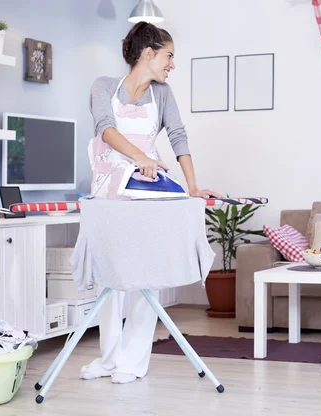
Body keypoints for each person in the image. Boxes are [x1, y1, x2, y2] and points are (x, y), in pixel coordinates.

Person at [81, 22, 221, 384]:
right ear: (148, 53)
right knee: (108, 278)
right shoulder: (103, 88)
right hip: (109, 191)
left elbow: (177, 135)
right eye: (169, 55)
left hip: (145, 190)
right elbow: (105, 129)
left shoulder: (162, 94)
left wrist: (191, 186)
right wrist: (140, 156)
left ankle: (132, 361)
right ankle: (109, 358)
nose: (172, 64)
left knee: (148, 275)